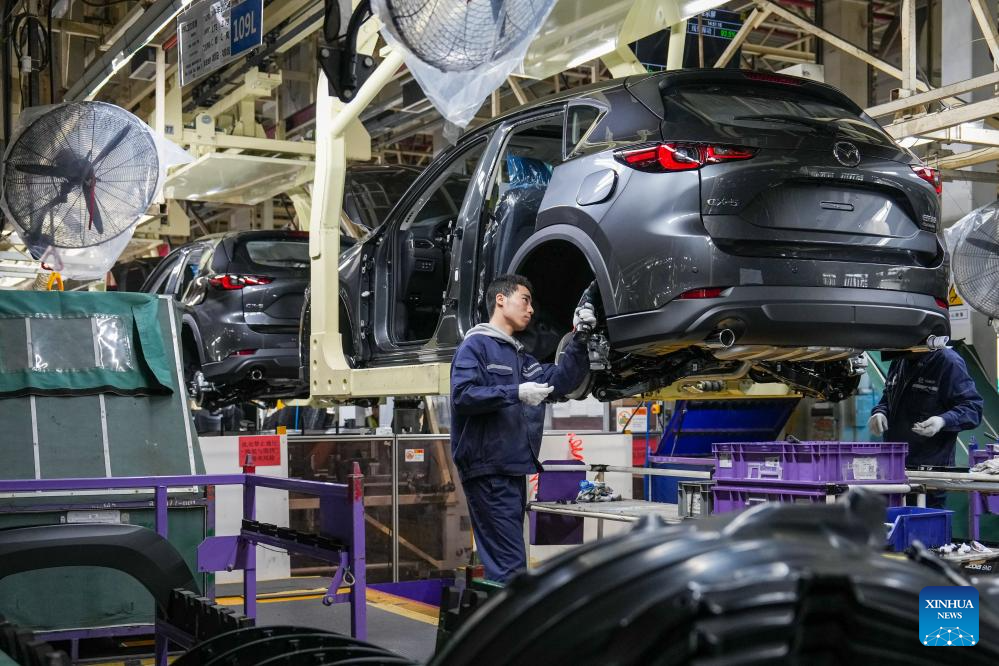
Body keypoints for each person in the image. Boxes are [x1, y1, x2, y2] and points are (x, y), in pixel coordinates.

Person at [450, 274, 594, 582]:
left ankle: (499, 611)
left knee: (508, 563)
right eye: (525, 300)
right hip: (488, 470)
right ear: (501, 299)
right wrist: (514, 392)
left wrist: (580, 338)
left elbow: (561, 381)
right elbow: (463, 395)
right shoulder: (475, 346)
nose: (531, 310)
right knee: (511, 568)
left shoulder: (523, 359)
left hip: (512, 471)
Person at [869, 347, 983, 508]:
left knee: (924, 520)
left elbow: (973, 408)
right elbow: (888, 397)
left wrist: (942, 421)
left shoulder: (948, 362)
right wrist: (880, 412)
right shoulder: (900, 359)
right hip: (894, 469)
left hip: (929, 475)